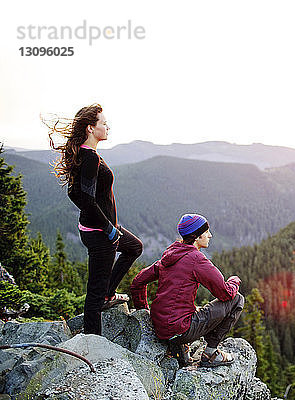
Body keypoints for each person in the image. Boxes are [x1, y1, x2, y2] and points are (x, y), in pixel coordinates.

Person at [47, 103, 143, 335]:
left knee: (134, 247)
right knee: (94, 294)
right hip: (100, 234)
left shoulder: (86, 153)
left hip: (101, 227)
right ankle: (92, 343)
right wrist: (108, 227)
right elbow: (87, 199)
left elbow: (74, 193)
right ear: (91, 128)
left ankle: (109, 293)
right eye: (103, 123)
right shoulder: (89, 158)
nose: (107, 126)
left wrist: (106, 224)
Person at [130, 214, 244, 367]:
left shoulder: (170, 255)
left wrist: (145, 312)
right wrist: (234, 280)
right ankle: (211, 353)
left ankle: (178, 346)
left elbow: (137, 282)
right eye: (207, 232)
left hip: (160, 327)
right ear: (197, 237)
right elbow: (225, 293)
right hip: (180, 329)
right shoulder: (196, 259)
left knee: (191, 308)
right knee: (237, 299)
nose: (210, 235)